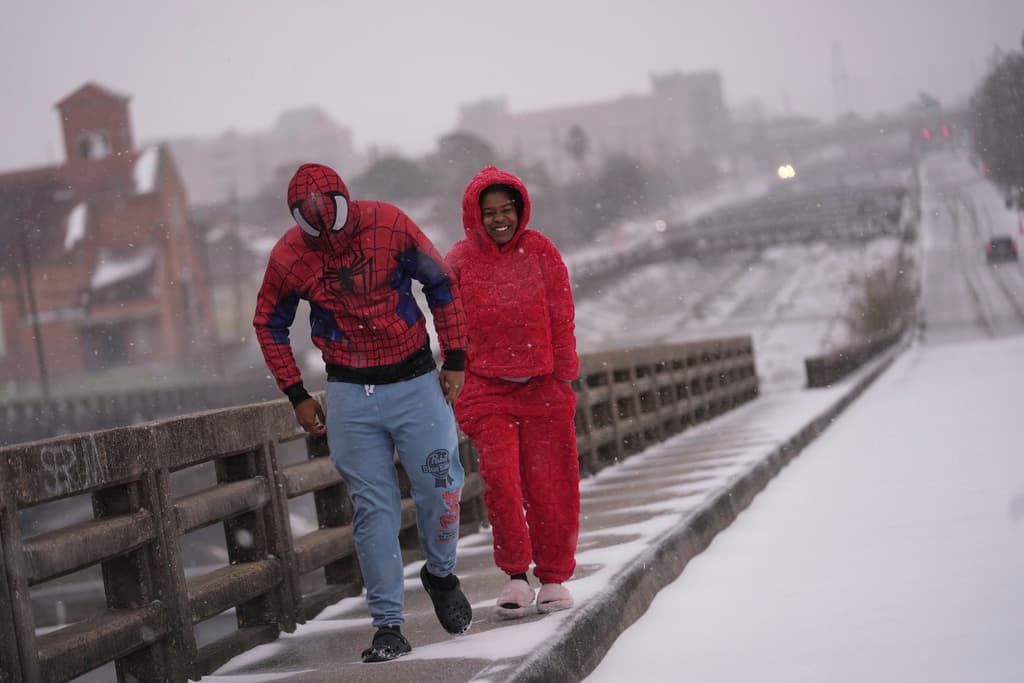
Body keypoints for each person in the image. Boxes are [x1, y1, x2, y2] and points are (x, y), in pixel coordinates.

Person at [253, 162, 472, 663]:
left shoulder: (388, 225)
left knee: (441, 487)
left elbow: (440, 283)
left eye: (330, 214)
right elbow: (268, 322)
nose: (323, 227)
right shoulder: (290, 256)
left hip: (415, 379)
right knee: (374, 509)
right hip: (351, 392)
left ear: (346, 201)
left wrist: (455, 357)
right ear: (297, 218)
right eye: (310, 220)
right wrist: (296, 392)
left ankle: (440, 575)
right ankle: (388, 625)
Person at [444, 165, 581, 619]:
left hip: (543, 388)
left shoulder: (541, 250)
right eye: (489, 212)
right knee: (502, 480)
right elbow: (449, 325)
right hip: (488, 391)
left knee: (550, 483)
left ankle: (554, 576)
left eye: (507, 209)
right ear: (474, 215)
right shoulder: (460, 261)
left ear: (520, 210)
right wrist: (460, 376)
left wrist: (563, 374)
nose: (499, 219)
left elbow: (561, 312)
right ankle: (516, 575)